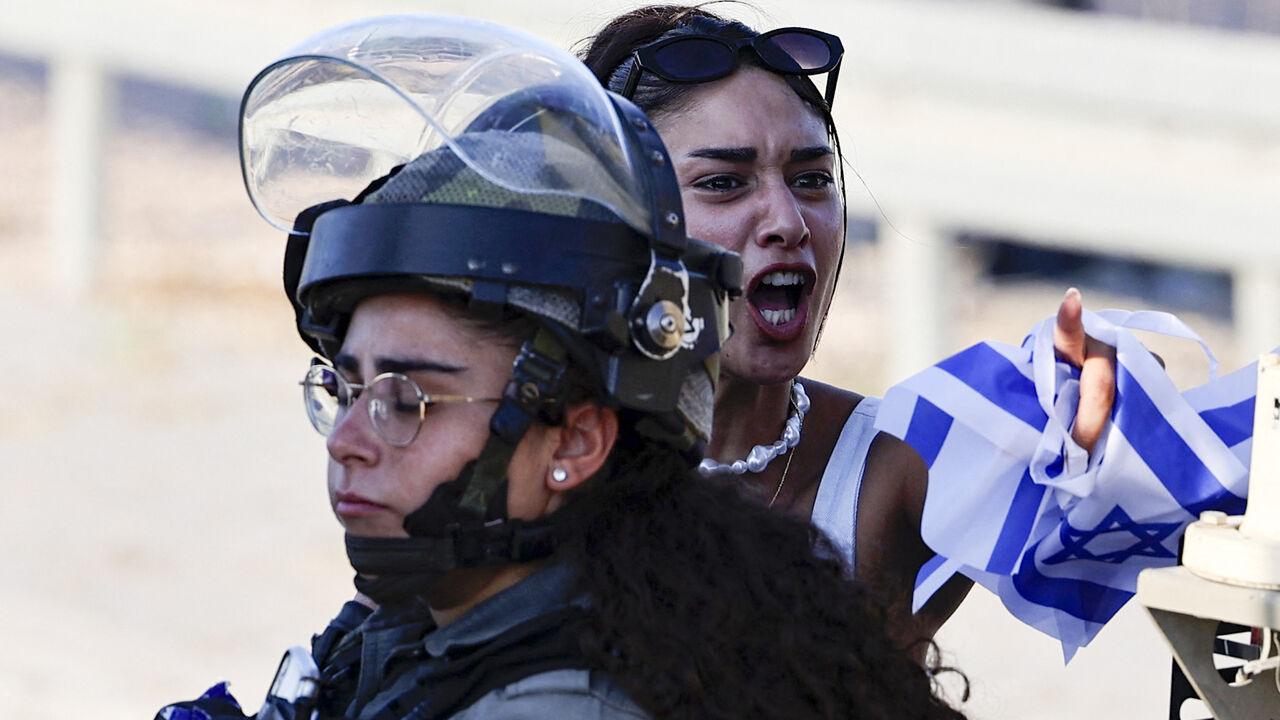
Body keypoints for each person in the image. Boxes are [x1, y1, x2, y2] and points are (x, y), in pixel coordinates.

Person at [156, 14, 967, 720]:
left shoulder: (911, 463)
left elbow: (1070, 474)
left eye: (412, 398)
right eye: (344, 390)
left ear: (579, 442)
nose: (347, 444)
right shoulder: (457, 598)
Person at [578, 3, 1118, 647]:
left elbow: (1163, 493)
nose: (788, 220)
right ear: (613, 219)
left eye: (811, 179)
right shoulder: (529, 455)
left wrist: (1107, 406)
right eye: (723, 182)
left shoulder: (893, 468)